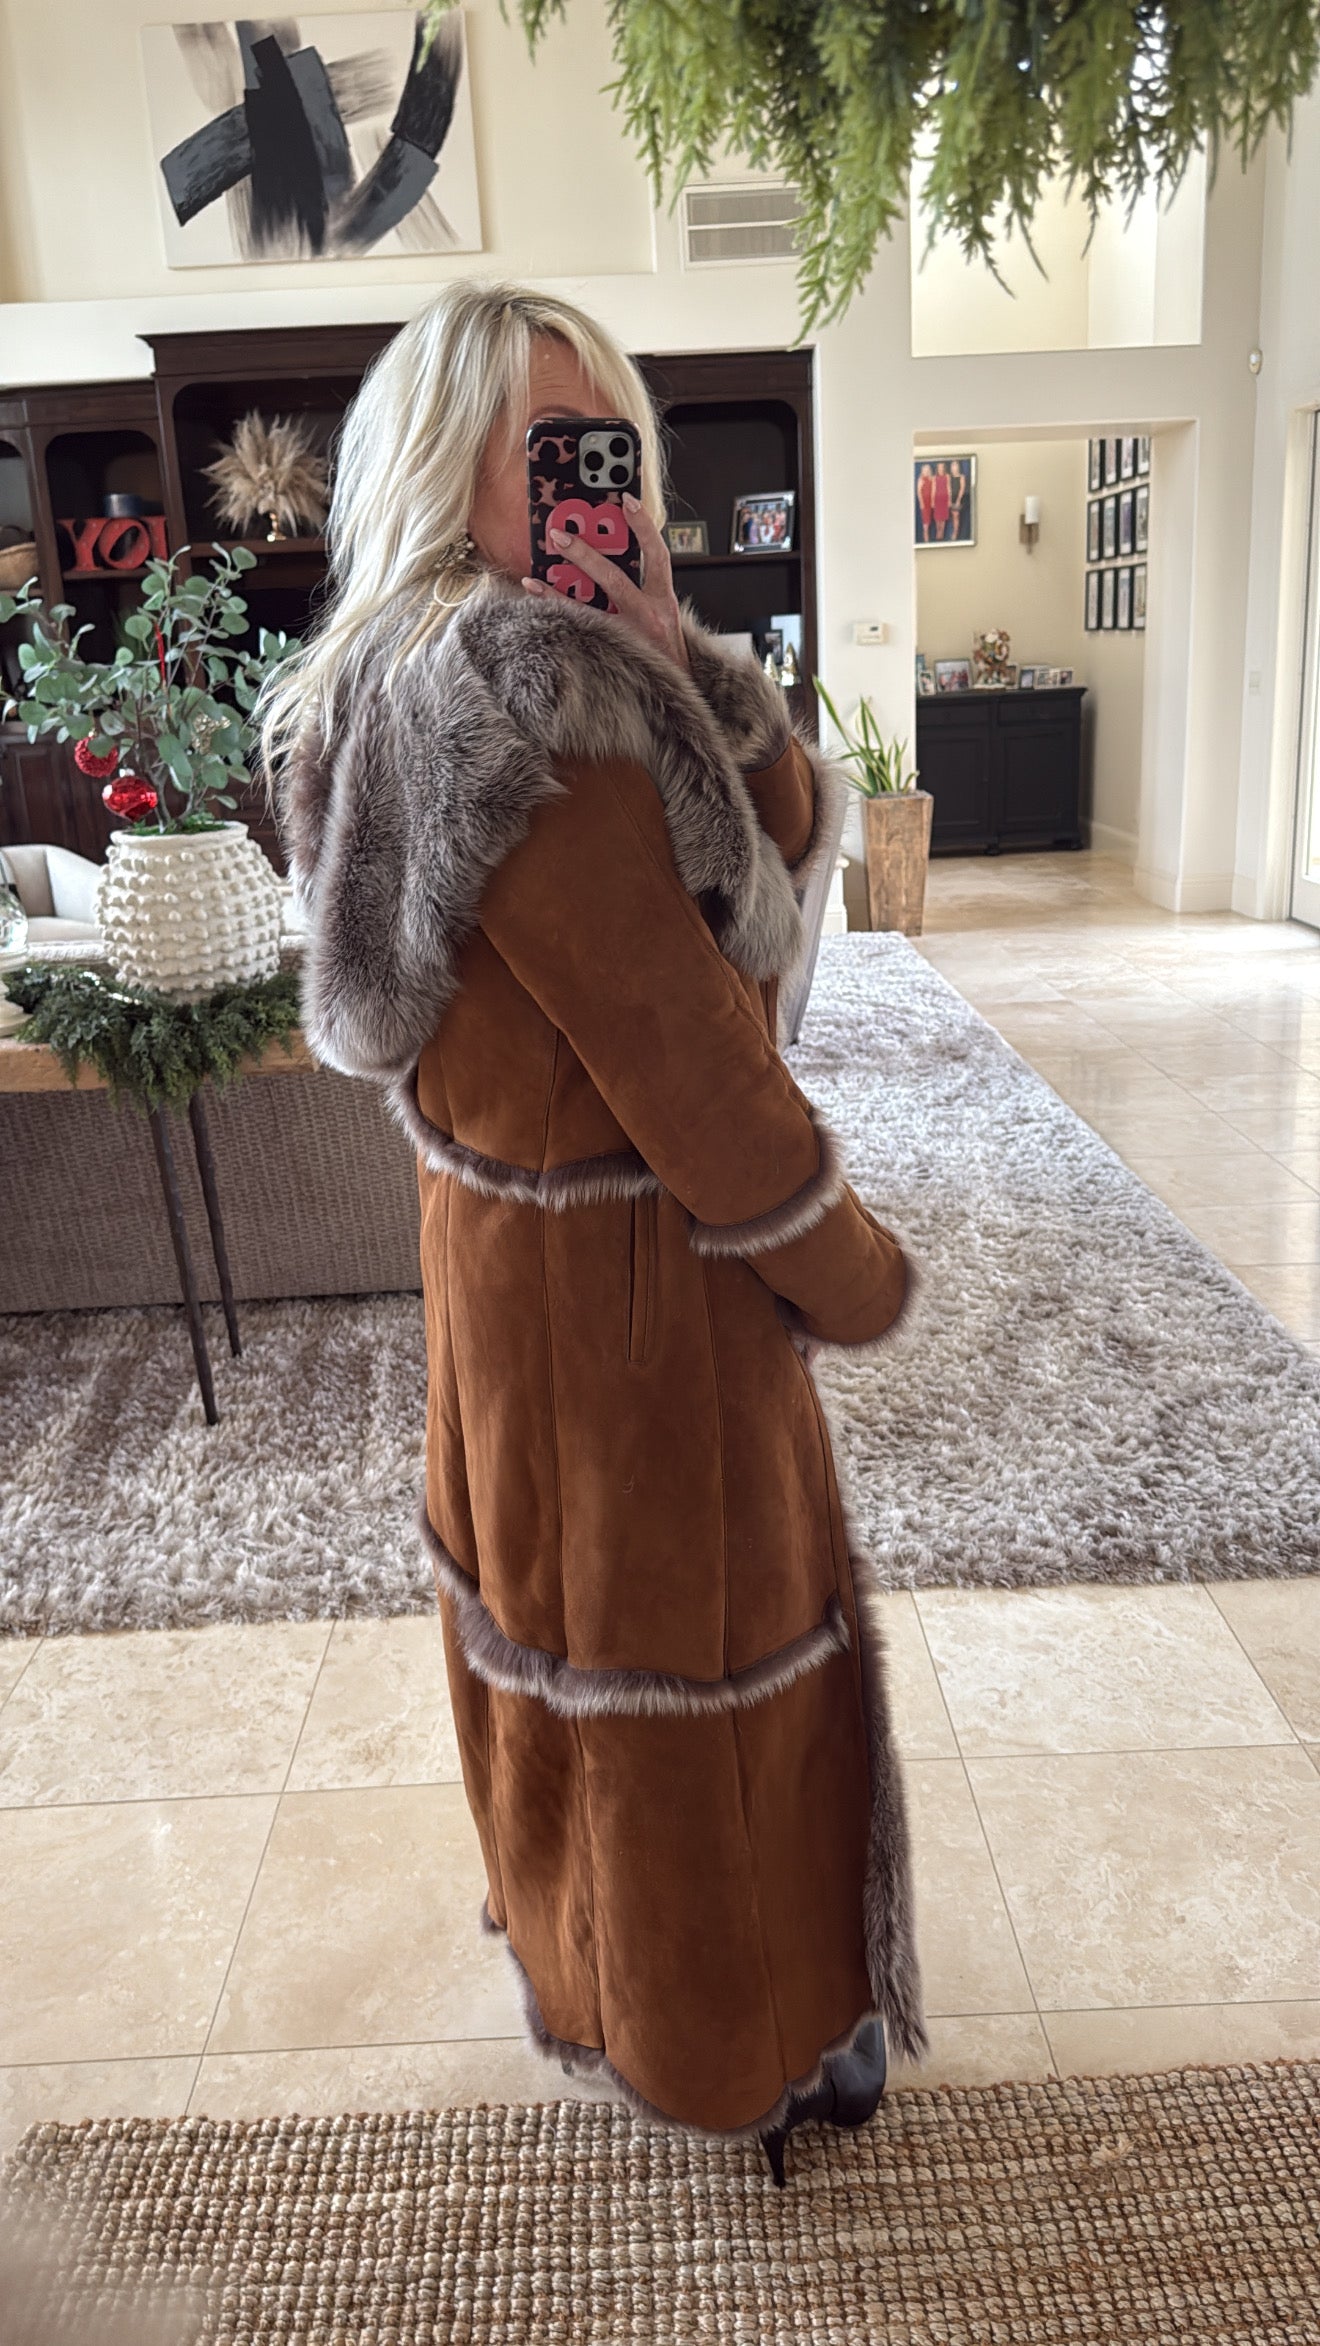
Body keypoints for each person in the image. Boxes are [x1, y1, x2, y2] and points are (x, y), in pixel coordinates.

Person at [262, 281, 927, 2183]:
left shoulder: (427, 675)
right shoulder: (526, 709)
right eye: (549, 442)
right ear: (442, 460)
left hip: (512, 1297)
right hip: (641, 1322)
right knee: (690, 1683)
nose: (597, 478)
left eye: (607, 441)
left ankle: (601, 1968)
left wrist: (682, 658)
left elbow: (764, 858)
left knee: (550, 1636)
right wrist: (851, 1267)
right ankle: (746, 2042)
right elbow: (696, 1066)